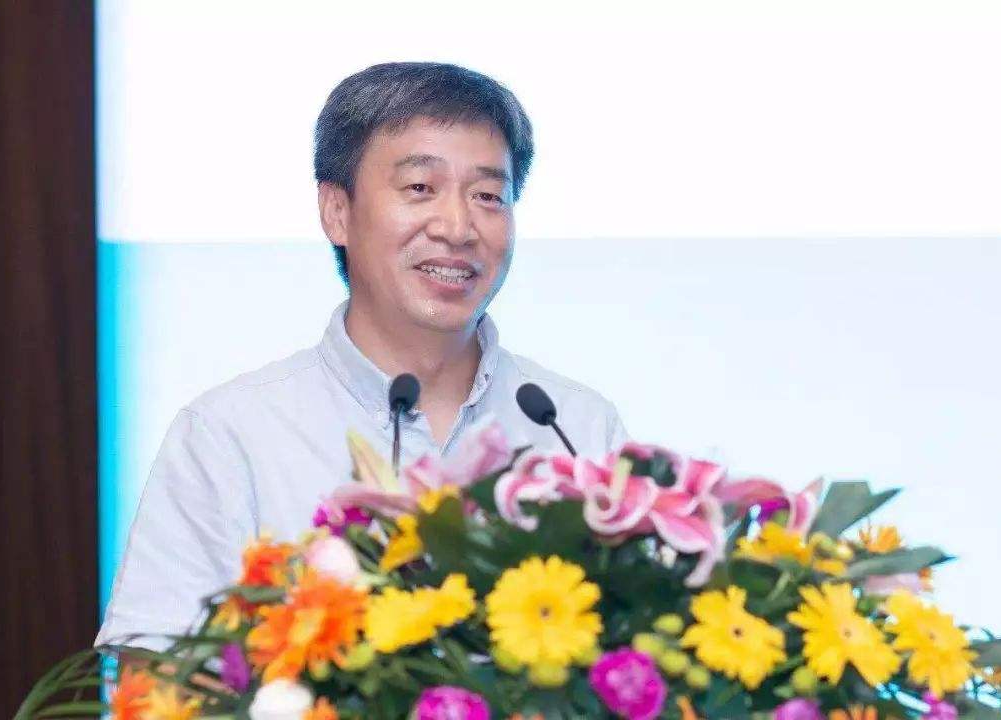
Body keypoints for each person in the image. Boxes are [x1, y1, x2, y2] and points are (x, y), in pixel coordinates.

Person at [95, 61, 628, 650]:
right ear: (337, 212)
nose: (458, 227)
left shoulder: (576, 427)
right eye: (420, 188)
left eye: (488, 196)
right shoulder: (230, 436)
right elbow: (150, 667)